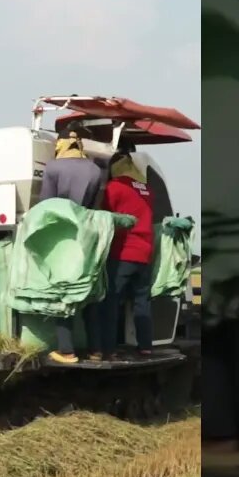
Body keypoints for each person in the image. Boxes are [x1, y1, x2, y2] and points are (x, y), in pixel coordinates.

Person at [40, 122, 107, 363]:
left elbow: (45, 206)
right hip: (88, 235)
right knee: (89, 292)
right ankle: (96, 349)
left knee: (64, 293)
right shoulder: (94, 170)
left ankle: (66, 350)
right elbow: (94, 205)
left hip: (63, 237)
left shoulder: (53, 167)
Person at [92, 150, 154, 361]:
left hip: (123, 252)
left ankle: (109, 349)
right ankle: (145, 346)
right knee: (141, 301)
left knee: (110, 301)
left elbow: (104, 218)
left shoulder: (114, 188)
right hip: (144, 253)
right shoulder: (146, 189)